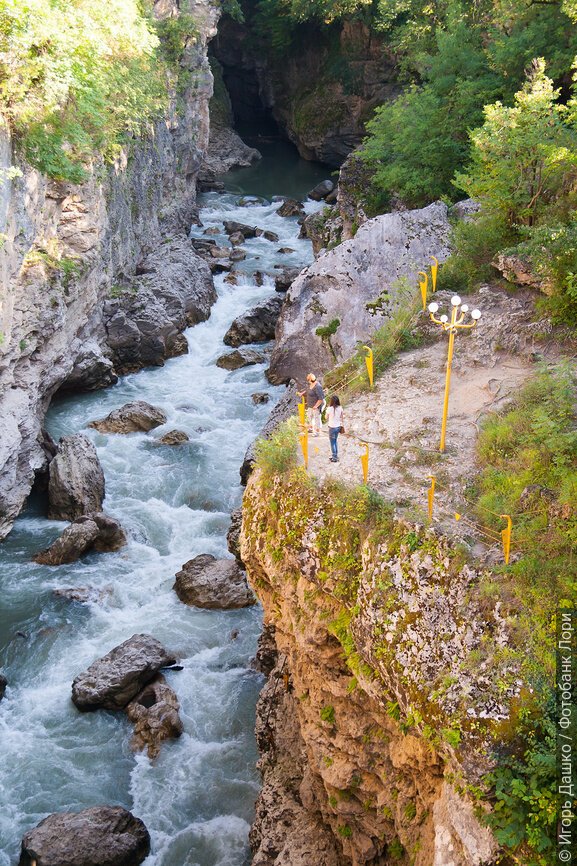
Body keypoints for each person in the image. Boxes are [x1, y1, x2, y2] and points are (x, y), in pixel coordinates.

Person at [326, 395, 344, 462]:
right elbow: (342, 417)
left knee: (332, 442)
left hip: (332, 427)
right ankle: (335, 455)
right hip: (338, 427)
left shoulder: (329, 409)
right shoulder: (340, 408)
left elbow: (326, 417)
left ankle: (334, 457)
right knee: (335, 441)